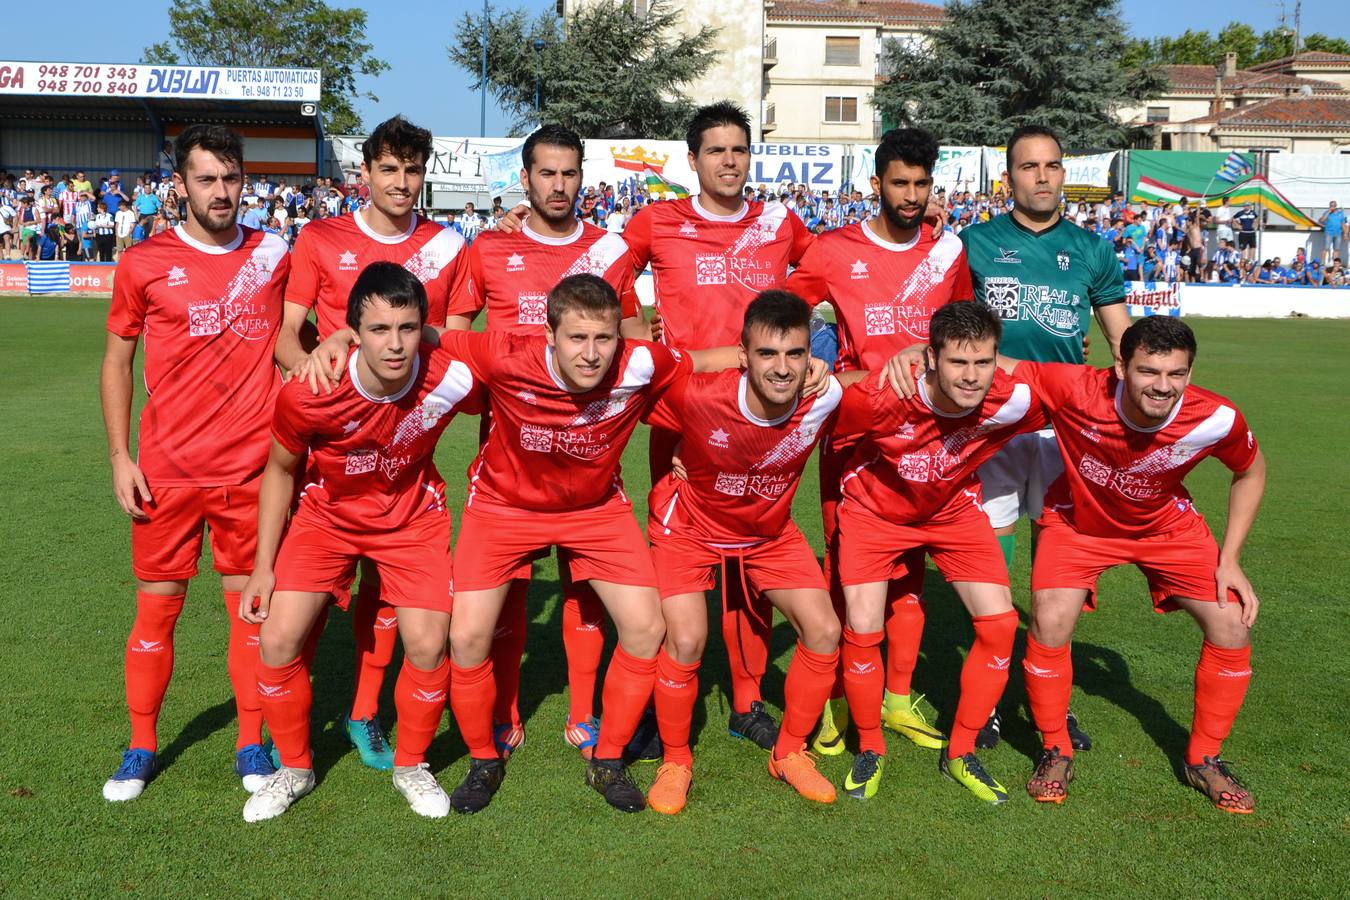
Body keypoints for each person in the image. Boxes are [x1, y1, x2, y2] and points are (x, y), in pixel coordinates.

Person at [238, 263, 480, 822]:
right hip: (328, 520)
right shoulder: (310, 391)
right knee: (277, 642)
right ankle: (295, 769)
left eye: (407, 327)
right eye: (377, 330)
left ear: (424, 327)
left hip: (412, 519)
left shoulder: (449, 374)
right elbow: (279, 472)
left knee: (426, 643)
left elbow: (518, 389)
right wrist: (262, 568)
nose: (395, 344)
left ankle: (411, 765)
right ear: (351, 331)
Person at [443, 123, 648, 760]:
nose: (559, 186)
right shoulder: (489, 249)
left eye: (570, 173)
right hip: (512, 445)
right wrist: (495, 398)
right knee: (512, 588)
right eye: (546, 174)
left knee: (585, 586)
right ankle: (503, 706)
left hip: (589, 452)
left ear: (583, 177)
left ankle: (585, 711)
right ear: (525, 179)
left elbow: (636, 338)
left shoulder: (610, 250)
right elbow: (455, 332)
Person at [99, 123, 290, 802]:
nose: (221, 192)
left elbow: (303, 332)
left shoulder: (274, 254)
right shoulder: (145, 262)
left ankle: (249, 741)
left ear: (246, 181)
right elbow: (118, 360)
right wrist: (121, 455)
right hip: (166, 471)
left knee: (250, 615)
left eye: (232, 178)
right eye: (206, 179)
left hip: (250, 473)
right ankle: (142, 744)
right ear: (179, 185)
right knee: (156, 612)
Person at [1008, 316, 1265, 814]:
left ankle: (1204, 758)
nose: (1163, 387)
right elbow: (998, 365)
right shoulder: (1076, 388)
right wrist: (917, 353)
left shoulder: (1216, 417)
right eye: (1149, 372)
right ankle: (1056, 748)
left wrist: (1230, 559)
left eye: (1177, 374)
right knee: (1049, 618)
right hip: (1078, 524)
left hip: (1166, 526)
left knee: (1232, 622)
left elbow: (1250, 471)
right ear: (1121, 366)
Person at [275, 113, 467, 770]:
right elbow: (285, 334)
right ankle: (289, 715)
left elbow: (452, 341)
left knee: (388, 597)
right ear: (365, 172)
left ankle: (363, 714)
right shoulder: (322, 238)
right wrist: (318, 359)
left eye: (413, 169)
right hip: (328, 437)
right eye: (389, 168)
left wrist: (370, 339)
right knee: (310, 593)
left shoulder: (448, 245)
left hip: (402, 441)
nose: (402, 181)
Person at [784, 127, 973, 756]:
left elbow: (966, 331)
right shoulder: (835, 250)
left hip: (929, 437)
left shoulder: (947, 253)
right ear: (876, 184)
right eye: (900, 182)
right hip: (856, 433)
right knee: (846, 570)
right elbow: (783, 310)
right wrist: (815, 362)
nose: (912, 194)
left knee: (910, 574)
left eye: (922, 183)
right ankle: (841, 698)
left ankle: (895, 698)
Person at [832, 302, 1046, 804]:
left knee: (998, 626)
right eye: (957, 363)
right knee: (864, 627)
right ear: (930, 358)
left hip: (952, 512)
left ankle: (963, 750)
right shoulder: (882, 396)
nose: (972, 378)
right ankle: (870, 745)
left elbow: (1091, 392)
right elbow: (802, 410)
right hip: (873, 513)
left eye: (983, 362)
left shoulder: (1012, 399)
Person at [958, 124, 1129, 749]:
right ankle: (994, 696)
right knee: (994, 559)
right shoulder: (972, 244)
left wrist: (1128, 414)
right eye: (1028, 167)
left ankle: (1046, 697)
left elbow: (1122, 343)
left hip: (1068, 428)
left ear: (1064, 173)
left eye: (1052, 165)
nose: (1041, 176)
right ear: (1009, 178)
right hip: (994, 424)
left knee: (1057, 558)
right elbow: (950, 336)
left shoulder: (1092, 249)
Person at [643, 291, 846, 814]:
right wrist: (674, 462)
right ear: (743, 355)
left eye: (795, 354)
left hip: (767, 531)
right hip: (688, 525)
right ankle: (676, 759)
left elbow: (893, 382)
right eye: (767, 354)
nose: (782, 369)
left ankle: (790, 752)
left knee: (823, 631)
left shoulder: (826, 396)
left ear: (811, 355)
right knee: (686, 639)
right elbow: (629, 398)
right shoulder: (698, 393)